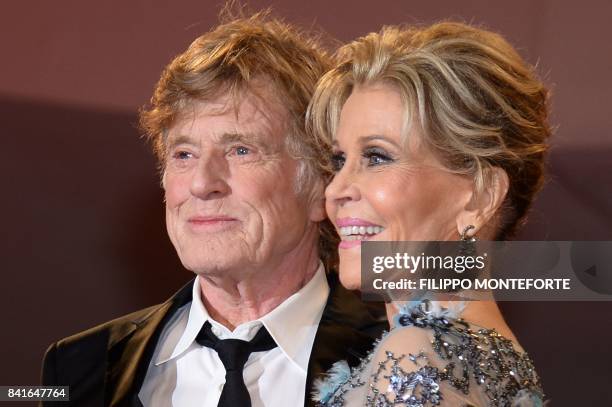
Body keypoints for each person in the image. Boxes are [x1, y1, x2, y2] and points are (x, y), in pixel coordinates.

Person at [41, 12, 386, 407]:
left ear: (318, 185)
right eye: (184, 154)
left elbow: (472, 263)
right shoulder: (79, 367)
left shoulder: (400, 355)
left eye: (241, 150)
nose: (203, 184)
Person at [308, 22, 550, 406]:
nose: (335, 189)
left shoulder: (416, 362)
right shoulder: (493, 356)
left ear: (479, 197)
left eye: (376, 157)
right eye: (340, 160)